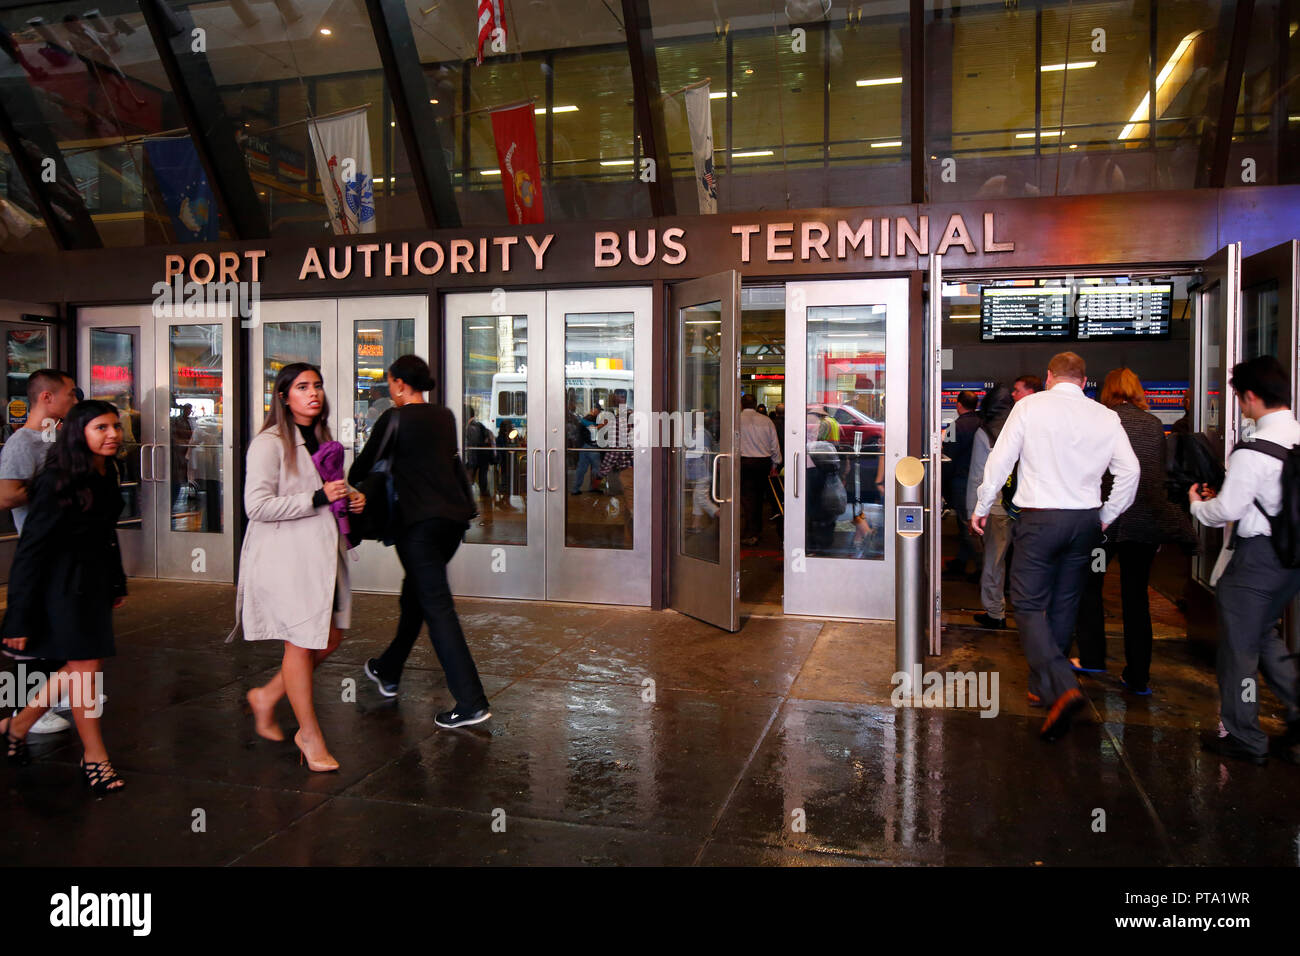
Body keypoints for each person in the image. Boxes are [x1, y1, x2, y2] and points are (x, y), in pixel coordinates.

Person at [971, 352, 1139, 740]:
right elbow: (1130, 472)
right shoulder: (1105, 416)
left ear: (1049, 377)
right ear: (1084, 382)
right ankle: (1043, 686)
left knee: (1028, 604)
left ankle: (1062, 686)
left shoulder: (1029, 407)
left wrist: (982, 505)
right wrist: (1107, 515)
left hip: (1040, 517)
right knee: (1065, 603)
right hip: (1084, 520)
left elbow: (1001, 461)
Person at [234, 363, 364, 772]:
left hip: (324, 554)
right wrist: (318, 498)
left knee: (332, 636)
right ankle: (309, 735)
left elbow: (326, 489)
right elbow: (256, 506)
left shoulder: (321, 438)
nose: (314, 394)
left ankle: (268, 696)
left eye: (318, 386)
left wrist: (352, 496)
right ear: (284, 396)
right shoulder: (270, 442)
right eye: (303, 387)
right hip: (287, 558)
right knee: (301, 642)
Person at [352, 355, 490, 729]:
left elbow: (360, 469)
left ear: (398, 384)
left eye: (391, 384)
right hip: (452, 524)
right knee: (414, 597)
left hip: (418, 527)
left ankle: (470, 701)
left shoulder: (393, 419)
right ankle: (388, 670)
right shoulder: (444, 416)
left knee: (437, 607)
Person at [0, 400, 128, 793]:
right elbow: (31, 550)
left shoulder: (107, 471)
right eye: (101, 428)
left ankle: (17, 726)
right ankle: (95, 757)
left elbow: (106, 533)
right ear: (79, 433)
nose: (112, 435)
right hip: (61, 587)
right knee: (86, 670)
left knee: (79, 669)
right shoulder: (58, 479)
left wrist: (117, 582)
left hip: (93, 584)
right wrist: (18, 617)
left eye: (115, 427)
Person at [1189, 355, 1300, 765]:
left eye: (1238, 398)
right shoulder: (1297, 438)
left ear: (1250, 396)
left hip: (1255, 562)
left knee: (1238, 651)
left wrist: (1197, 506)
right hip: (1290, 557)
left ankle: (1245, 737)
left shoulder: (1253, 451)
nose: (1239, 405)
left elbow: (1226, 510)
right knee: (1264, 636)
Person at [1073, 369, 1195, 694]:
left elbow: (1091, 471)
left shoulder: (1101, 420)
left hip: (1106, 527)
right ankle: (1138, 676)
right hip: (1144, 526)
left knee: (1091, 587)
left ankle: (1092, 656)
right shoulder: (1153, 425)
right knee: (1136, 597)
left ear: (1108, 391)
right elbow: (1157, 476)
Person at [0, 368, 79, 737]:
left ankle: (56, 694)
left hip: (64, 550)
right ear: (47, 397)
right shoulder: (22, 443)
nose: (74, 401)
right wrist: (54, 488)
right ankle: (23, 706)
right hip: (39, 551)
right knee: (30, 633)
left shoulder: (57, 439)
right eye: (69, 394)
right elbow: (7, 495)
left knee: (60, 624)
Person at [966, 384, 1014, 630]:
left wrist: (972, 510)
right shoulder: (1022, 426)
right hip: (1027, 506)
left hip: (995, 507)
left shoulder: (985, 431)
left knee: (995, 561)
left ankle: (996, 612)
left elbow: (978, 475)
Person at [943, 389, 982, 579]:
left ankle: (980, 566)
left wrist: (942, 485)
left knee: (965, 524)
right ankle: (961, 560)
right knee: (973, 523)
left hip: (960, 481)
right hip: (980, 481)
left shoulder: (954, 427)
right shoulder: (983, 424)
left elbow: (947, 458)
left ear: (958, 405)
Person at [739, 393, 781, 546]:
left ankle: (751, 532)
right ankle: (755, 530)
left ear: (741, 404)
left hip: (744, 463)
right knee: (757, 498)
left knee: (747, 498)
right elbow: (774, 444)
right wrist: (775, 464)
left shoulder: (736, 420)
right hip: (763, 463)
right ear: (755, 404)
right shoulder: (766, 420)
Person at [596, 391, 635, 546]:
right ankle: (629, 541)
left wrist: (602, 472)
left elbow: (614, 451)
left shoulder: (619, 422)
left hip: (629, 470)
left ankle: (640, 545)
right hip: (645, 469)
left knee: (632, 508)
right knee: (629, 508)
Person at [463, 404, 495, 510]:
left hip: (478, 457)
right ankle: (485, 502)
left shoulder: (472, 427)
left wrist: (470, 463)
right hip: (483, 457)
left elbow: (473, 446)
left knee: (474, 480)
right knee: (482, 479)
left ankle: (476, 504)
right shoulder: (478, 425)